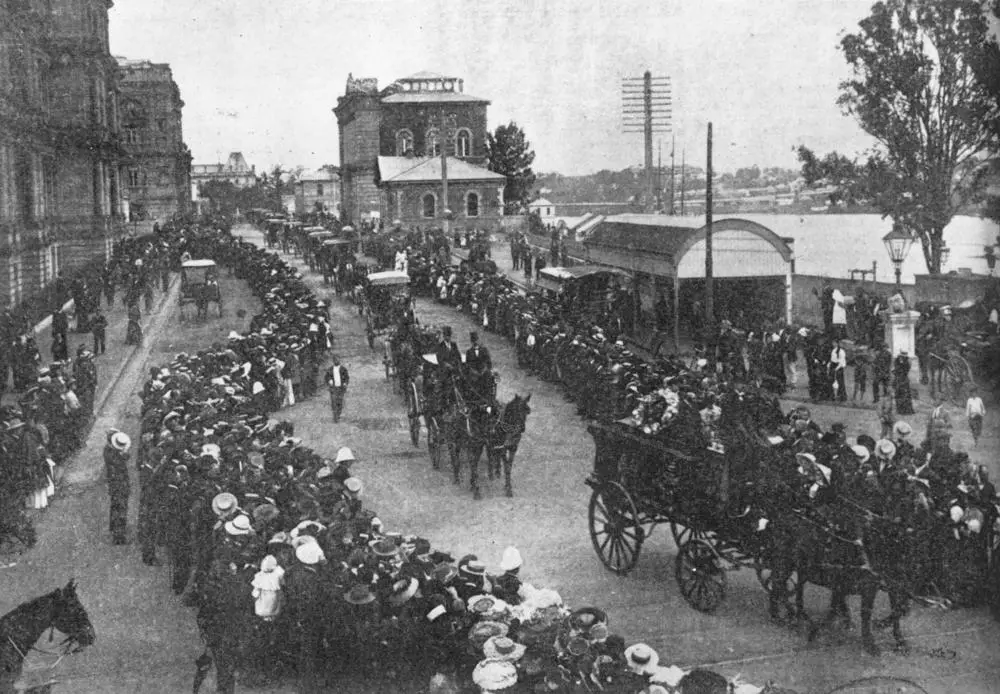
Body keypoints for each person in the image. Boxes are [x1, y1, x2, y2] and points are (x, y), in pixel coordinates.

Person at [104, 430, 131, 545]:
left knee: (116, 507)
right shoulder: (112, 454)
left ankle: (114, 528)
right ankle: (119, 536)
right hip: (119, 484)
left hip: (116, 484)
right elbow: (122, 461)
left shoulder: (109, 450)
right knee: (120, 509)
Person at [324, 356, 349, 422]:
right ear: (333, 361)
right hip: (333, 388)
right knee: (333, 402)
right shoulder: (330, 369)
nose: (336, 361)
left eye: (337, 360)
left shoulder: (343, 369)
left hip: (341, 388)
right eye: (335, 360)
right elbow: (326, 377)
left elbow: (347, 377)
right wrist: (329, 380)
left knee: (339, 402)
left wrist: (345, 383)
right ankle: (335, 416)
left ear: (339, 360)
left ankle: (338, 413)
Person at [893, 351, 914, 415]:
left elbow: (905, 370)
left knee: (905, 395)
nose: (901, 357)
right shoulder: (897, 360)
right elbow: (896, 368)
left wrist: (898, 368)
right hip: (898, 379)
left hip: (903, 379)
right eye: (901, 356)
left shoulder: (907, 362)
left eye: (903, 356)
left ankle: (905, 410)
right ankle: (899, 409)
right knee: (898, 394)